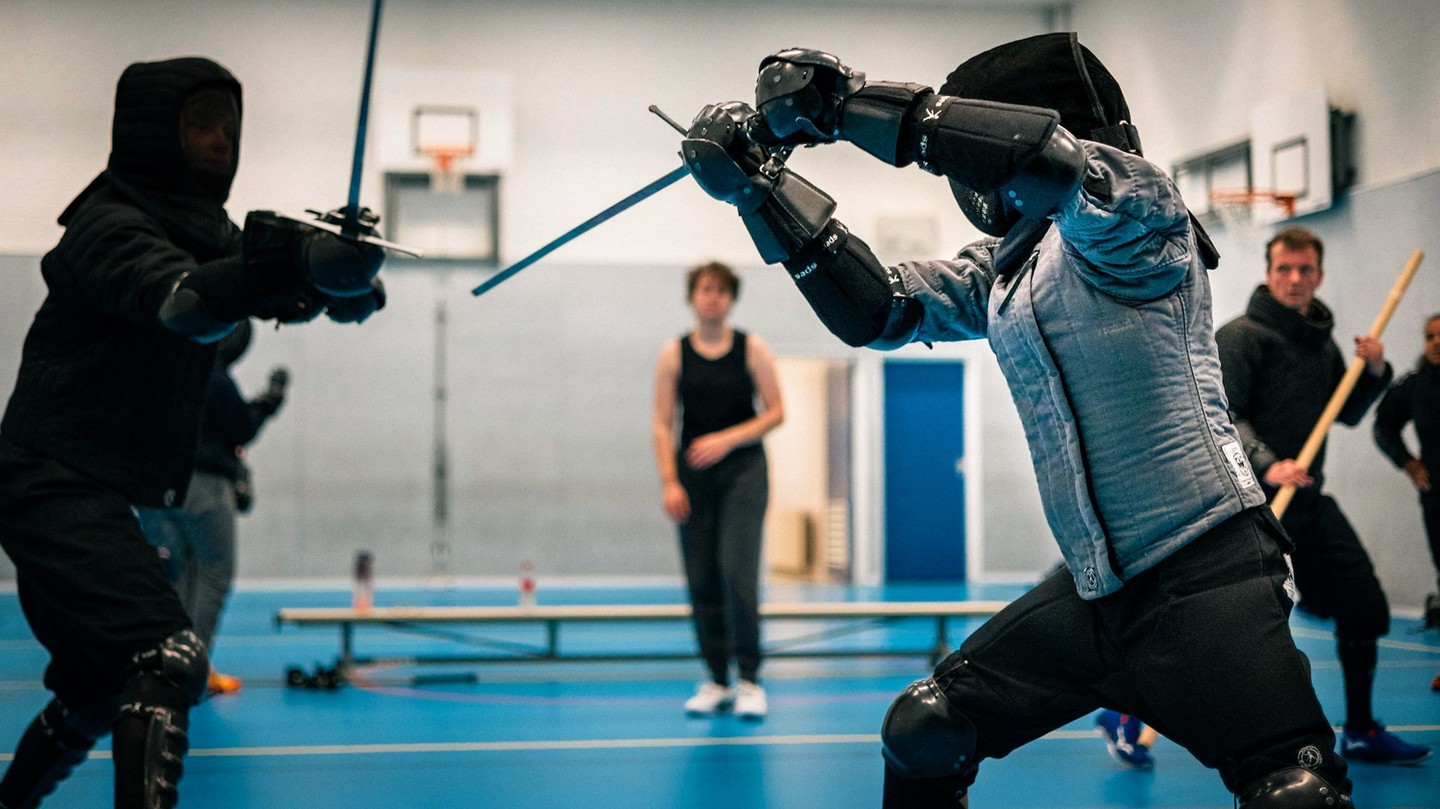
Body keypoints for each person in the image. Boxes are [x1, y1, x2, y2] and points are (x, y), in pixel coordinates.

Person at [681, 32, 1354, 808]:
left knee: (1294, 793)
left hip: (1207, 574)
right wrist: (761, 190)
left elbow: (1053, 164)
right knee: (926, 728)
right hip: (1097, 589)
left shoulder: (1139, 215)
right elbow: (879, 309)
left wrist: (844, 106)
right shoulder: (1006, 266)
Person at [0, 56, 386, 809]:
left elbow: (264, 282)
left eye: (230, 127)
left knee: (94, 688)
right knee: (166, 655)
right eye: (202, 124)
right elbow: (188, 302)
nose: (220, 141)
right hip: (48, 479)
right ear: (155, 133)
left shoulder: (204, 231)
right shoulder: (108, 225)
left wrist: (341, 281)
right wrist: (301, 260)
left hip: (91, 484)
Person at [1216, 226, 1431, 766]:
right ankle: (1131, 715)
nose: (1294, 279)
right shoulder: (1240, 338)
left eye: (1305, 269)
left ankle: (1360, 729)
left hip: (1309, 504)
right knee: (1232, 630)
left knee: (1364, 604)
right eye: (1284, 269)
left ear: (1319, 275)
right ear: (1268, 273)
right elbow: (1222, 415)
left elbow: (1347, 413)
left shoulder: (1320, 343)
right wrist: (1267, 462)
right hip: (1253, 511)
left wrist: (1374, 372)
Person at [651, 261, 784, 720]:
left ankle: (749, 679)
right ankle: (716, 678)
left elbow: (776, 411)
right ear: (693, 296)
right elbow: (661, 424)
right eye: (706, 289)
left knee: (736, 573)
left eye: (722, 291)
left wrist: (727, 439)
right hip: (693, 478)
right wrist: (669, 481)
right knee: (701, 577)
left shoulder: (751, 348)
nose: (713, 297)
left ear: (731, 299)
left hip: (744, 473)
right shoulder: (673, 354)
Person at [135, 319, 289, 697]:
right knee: (213, 572)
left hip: (153, 484)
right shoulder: (210, 371)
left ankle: (167, 666)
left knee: (177, 574)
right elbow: (240, 427)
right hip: (200, 486)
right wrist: (269, 402)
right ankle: (190, 670)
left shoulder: (158, 365)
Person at [1372, 312, 1440, 690]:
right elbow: (1383, 425)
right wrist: (1408, 462)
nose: (1436, 342)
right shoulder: (1415, 384)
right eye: (1429, 336)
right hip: (1437, 495)